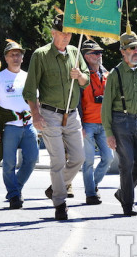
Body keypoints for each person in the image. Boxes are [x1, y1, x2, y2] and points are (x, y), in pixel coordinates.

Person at [23, 14, 89, 221]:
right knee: (58, 160)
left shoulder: (75, 52)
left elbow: (86, 82)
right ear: (53, 33)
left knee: (79, 158)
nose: (66, 37)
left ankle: (55, 188)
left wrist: (79, 76)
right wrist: (35, 115)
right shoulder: (40, 55)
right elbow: (29, 90)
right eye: (62, 33)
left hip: (71, 114)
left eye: (69, 33)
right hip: (50, 114)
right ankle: (60, 203)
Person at [101, 30, 137, 216]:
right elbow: (106, 106)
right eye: (132, 48)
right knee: (126, 163)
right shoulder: (115, 74)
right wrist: (109, 133)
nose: (136, 51)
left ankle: (123, 193)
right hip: (121, 121)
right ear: (123, 51)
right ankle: (128, 204)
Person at [0, 39, 39, 209]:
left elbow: (35, 101)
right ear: (6, 58)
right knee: (9, 163)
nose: (15, 58)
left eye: (18, 55)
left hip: (28, 125)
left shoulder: (28, 77)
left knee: (32, 159)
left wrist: (38, 118)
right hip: (9, 126)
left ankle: (15, 187)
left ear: (22, 58)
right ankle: (14, 195)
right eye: (12, 55)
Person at [78, 39, 113, 205]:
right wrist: (79, 125)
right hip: (87, 124)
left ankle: (93, 184)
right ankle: (90, 194)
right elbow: (76, 101)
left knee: (108, 157)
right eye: (95, 53)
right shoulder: (81, 77)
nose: (100, 56)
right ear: (86, 56)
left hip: (104, 123)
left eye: (100, 53)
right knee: (89, 161)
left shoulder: (107, 75)